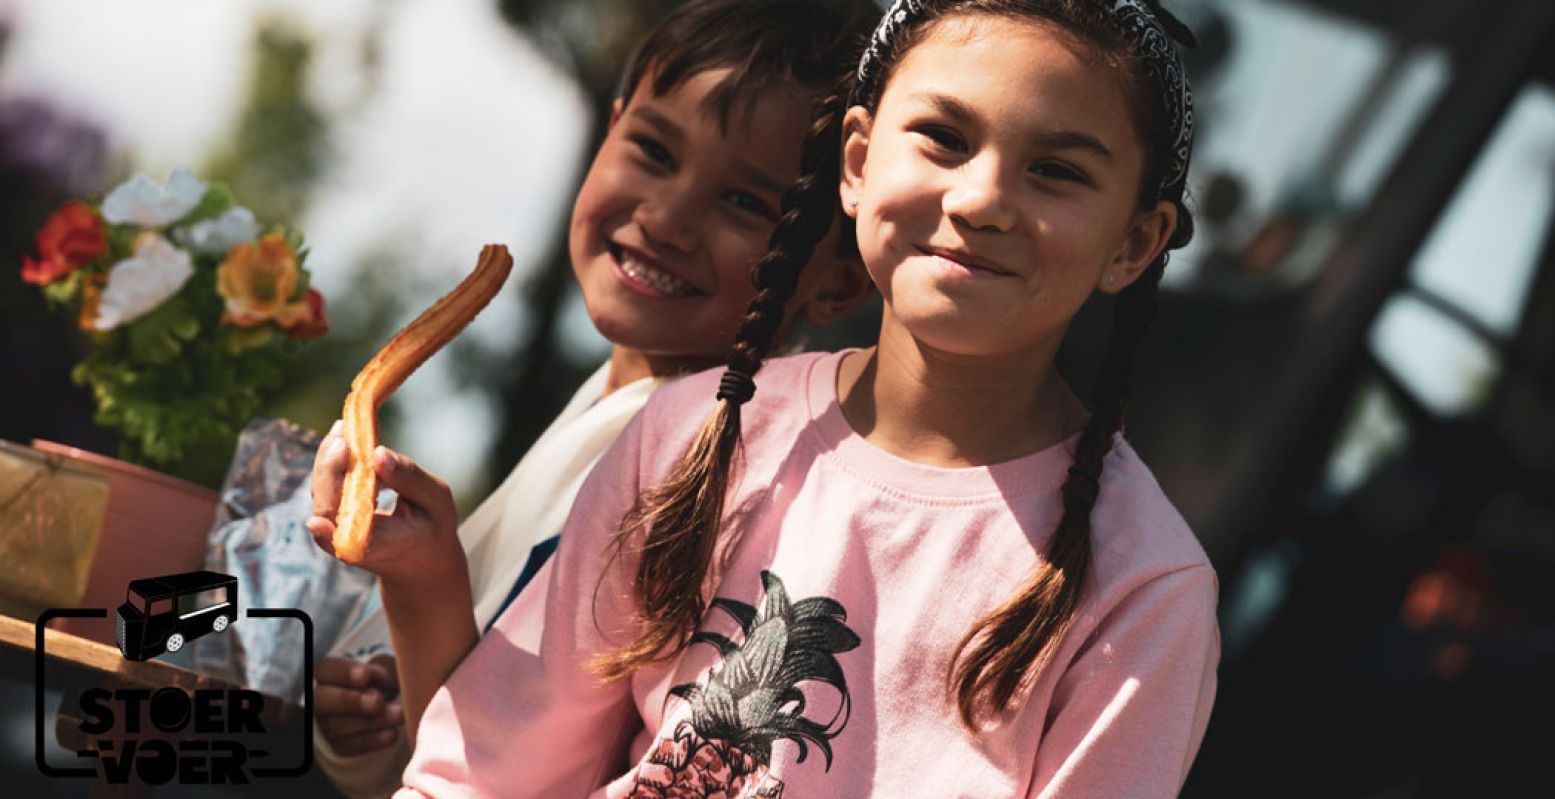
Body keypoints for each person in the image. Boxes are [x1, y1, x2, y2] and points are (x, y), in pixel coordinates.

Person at [354, 0, 1221, 795]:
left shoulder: (1146, 590)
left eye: (1057, 172)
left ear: (1135, 243)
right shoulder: (689, 429)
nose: (982, 198)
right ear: (855, 163)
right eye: (944, 138)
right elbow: (492, 773)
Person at [302, 1, 880, 795]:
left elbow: (536, 765)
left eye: (746, 202)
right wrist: (370, 717)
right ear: (608, 129)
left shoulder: (715, 458)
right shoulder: (611, 407)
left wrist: (422, 580)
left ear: (839, 279)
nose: (668, 218)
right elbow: (451, 727)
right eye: (651, 149)